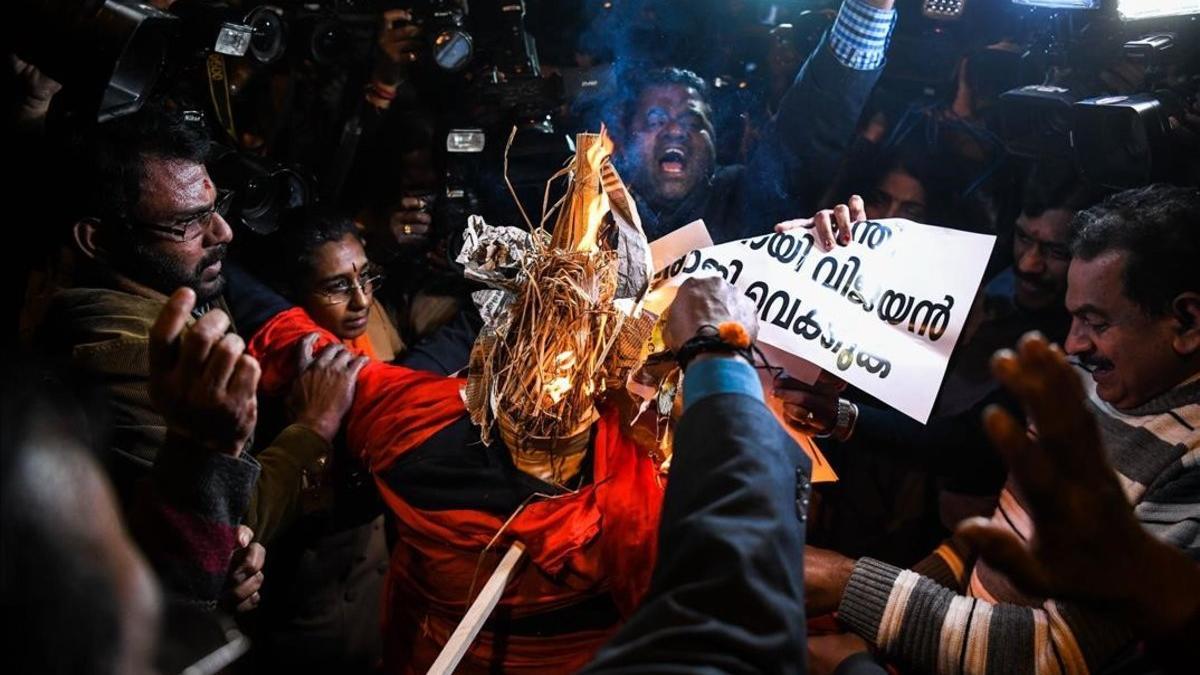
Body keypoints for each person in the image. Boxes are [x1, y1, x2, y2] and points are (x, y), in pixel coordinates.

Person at [803, 183, 1200, 674]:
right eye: (1073, 318)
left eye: (1096, 322)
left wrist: (850, 586)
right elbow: (998, 531)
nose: (1073, 344)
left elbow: (1054, 656)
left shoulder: (1190, 469)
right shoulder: (1076, 384)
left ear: (1187, 322)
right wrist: (878, 618)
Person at [35, 98, 356, 604]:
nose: (223, 232)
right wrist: (313, 427)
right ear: (96, 238)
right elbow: (224, 525)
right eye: (188, 222)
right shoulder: (129, 353)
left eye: (217, 207)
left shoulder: (159, 282)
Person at [616, 0, 897, 244]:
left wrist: (869, 10)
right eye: (656, 120)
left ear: (713, 139)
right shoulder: (592, 212)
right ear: (624, 141)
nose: (676, 130)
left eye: (693, 121)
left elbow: (811, 126)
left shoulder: (745, 197)